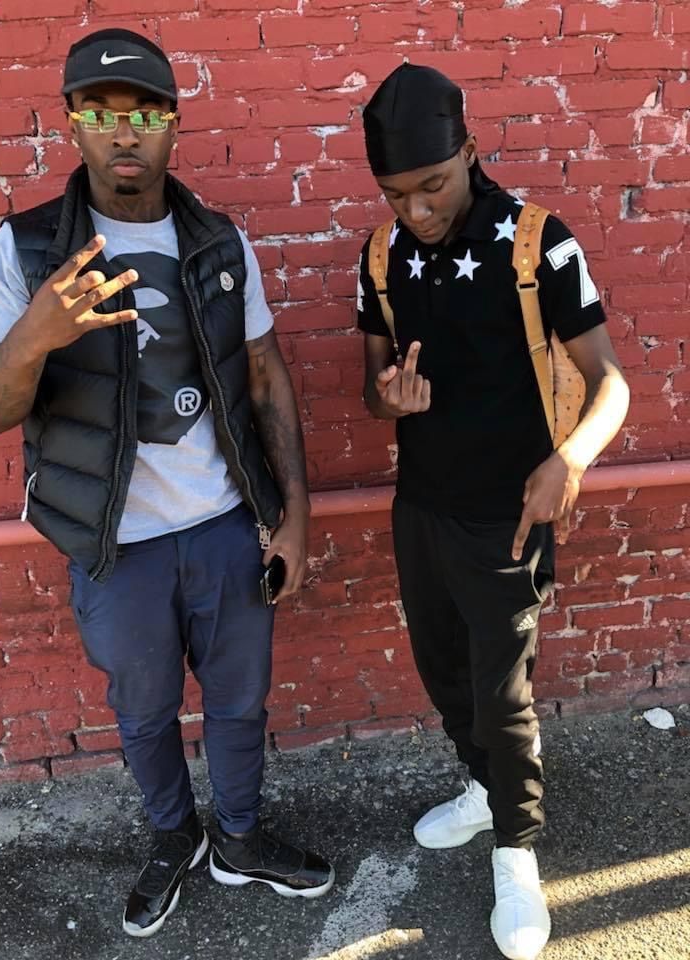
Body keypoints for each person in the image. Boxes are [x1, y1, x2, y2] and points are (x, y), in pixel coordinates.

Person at [0, 28, 333, 939]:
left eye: (144, 116)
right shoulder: (21, 252)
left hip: (223, 524)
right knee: (143, 710)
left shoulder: (217, 242)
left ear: (173, 124)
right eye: (101, 116)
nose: (123, 135)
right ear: (72, 125)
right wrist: (37, 335)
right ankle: (173, 837)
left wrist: (294, 514)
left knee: (241, 702)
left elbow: (264, 374)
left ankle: (240, 837)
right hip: (110, 541)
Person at [357, 64, 629, 960]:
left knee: (500, 690)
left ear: (470, 151)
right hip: (421, 505)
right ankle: (481, 790)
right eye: (397, 194)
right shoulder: (382, 254)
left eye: (432, 185)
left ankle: (517, 852)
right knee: (441, 670)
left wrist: (569, 459)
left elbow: (610, 383)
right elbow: (375, 388)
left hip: (508, 510)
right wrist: (391, 401)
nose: (417, 211)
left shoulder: (537, 245)